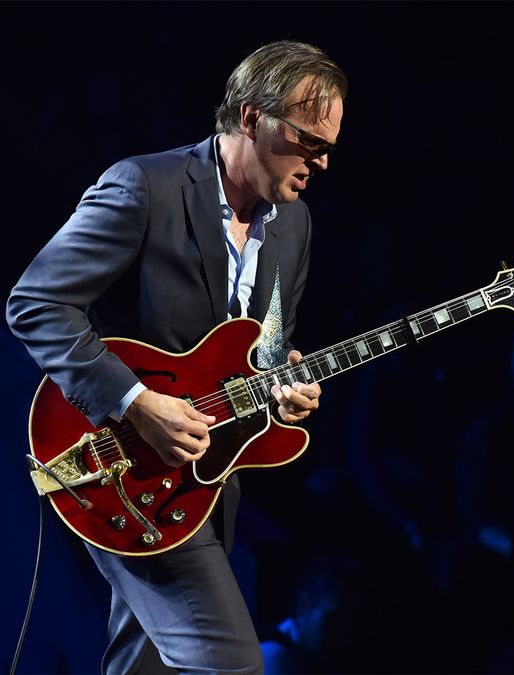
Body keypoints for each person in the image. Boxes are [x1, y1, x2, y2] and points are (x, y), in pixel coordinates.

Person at [7, 41, 345, 673]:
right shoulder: (145, 186)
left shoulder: (294, 226)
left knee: (145, 667)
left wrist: (285, 392)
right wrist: (137, 404)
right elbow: (35, 303)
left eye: (330, 146)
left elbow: (262, 354)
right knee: (233, 664)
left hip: (202, 483)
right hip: (112, 464)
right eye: (309, 141)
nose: (322, 162)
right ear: (250, 118)